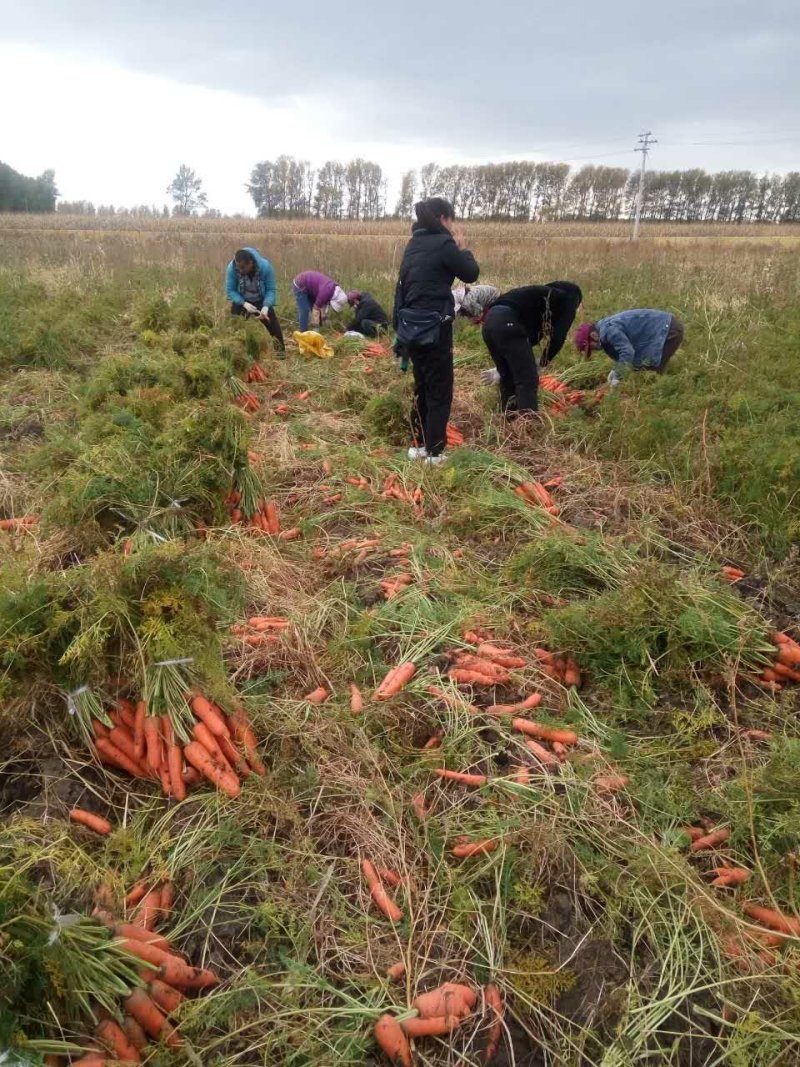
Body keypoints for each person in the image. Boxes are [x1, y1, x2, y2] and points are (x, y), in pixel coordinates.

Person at [393, 197, 480, 464]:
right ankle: (435, 453)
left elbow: (402, 287)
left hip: (410, 327)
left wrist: (399, 331)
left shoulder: (413, 244)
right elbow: (470, 273)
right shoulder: (444, 244)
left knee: (422, 386)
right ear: (443, 219)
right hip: (435, 328)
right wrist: (462, 248)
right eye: (451, 220)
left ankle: (418, 445)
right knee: (440, 389)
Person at [480, 281, 583, 415]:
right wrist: (544, 362)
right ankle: (527, 426)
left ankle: (508, 421)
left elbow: (527, 339)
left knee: (508, 378)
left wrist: (510, 363)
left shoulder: (540, 296)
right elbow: (559, 336)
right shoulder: (570, 297)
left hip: (489, 324)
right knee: (527, 380)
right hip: (507, 322)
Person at [573, 310, 685, 386]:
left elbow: (627, 352)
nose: (594, 350)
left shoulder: (608, 331)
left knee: (653, 372)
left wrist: (618, 374)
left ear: (593, 335)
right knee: (641, 368)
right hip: (662, 327)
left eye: (591, 347)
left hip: (668, 329)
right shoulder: (603, 332)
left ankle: (665, 395)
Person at [226, 247, 285, 352]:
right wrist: (243, 303)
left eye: (243, 268)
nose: (240, 270)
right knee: (235, 326)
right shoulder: (232, 268)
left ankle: (281, 354)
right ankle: (235, 352)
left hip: (261, 299)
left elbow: (271, 290)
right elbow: (230, 291)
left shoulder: (265, 267)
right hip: (242, 299)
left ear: (251, 263)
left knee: (273, 325)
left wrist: (266, 306)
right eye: (238, 267)